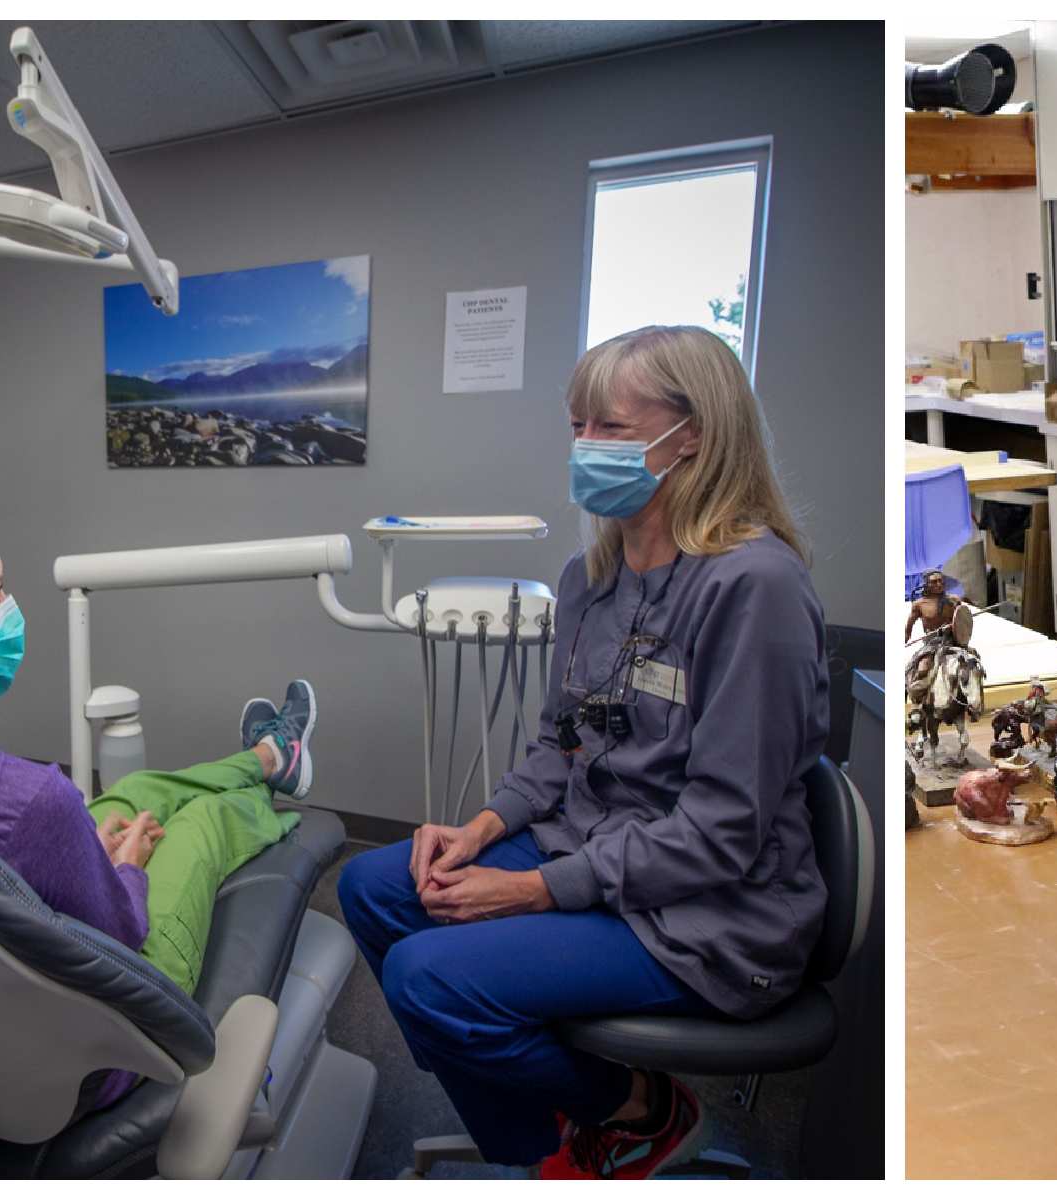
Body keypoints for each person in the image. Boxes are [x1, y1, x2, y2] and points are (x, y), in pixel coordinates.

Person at [337, 325, 829, 1178]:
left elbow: (722, 832)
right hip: (597, 849)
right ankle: (579, 1124)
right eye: (577, 427)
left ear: (695, 437)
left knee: (428, 980)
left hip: (714, 912)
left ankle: (634, 1112)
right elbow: (559, 744)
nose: (586, 449)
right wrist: (483, 828)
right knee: (374, 888)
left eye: (612, 428)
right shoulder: (591, 578)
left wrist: (531, 892)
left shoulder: (755, 588)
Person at [0, 424, 313, 1108]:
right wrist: (123, 869)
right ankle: (261, 780)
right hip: (91, 1049)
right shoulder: (28, 800)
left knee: (135, 790)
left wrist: (80, 852)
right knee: (202, 823)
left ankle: (267, 757)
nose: (8, 612)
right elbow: (123, 931)